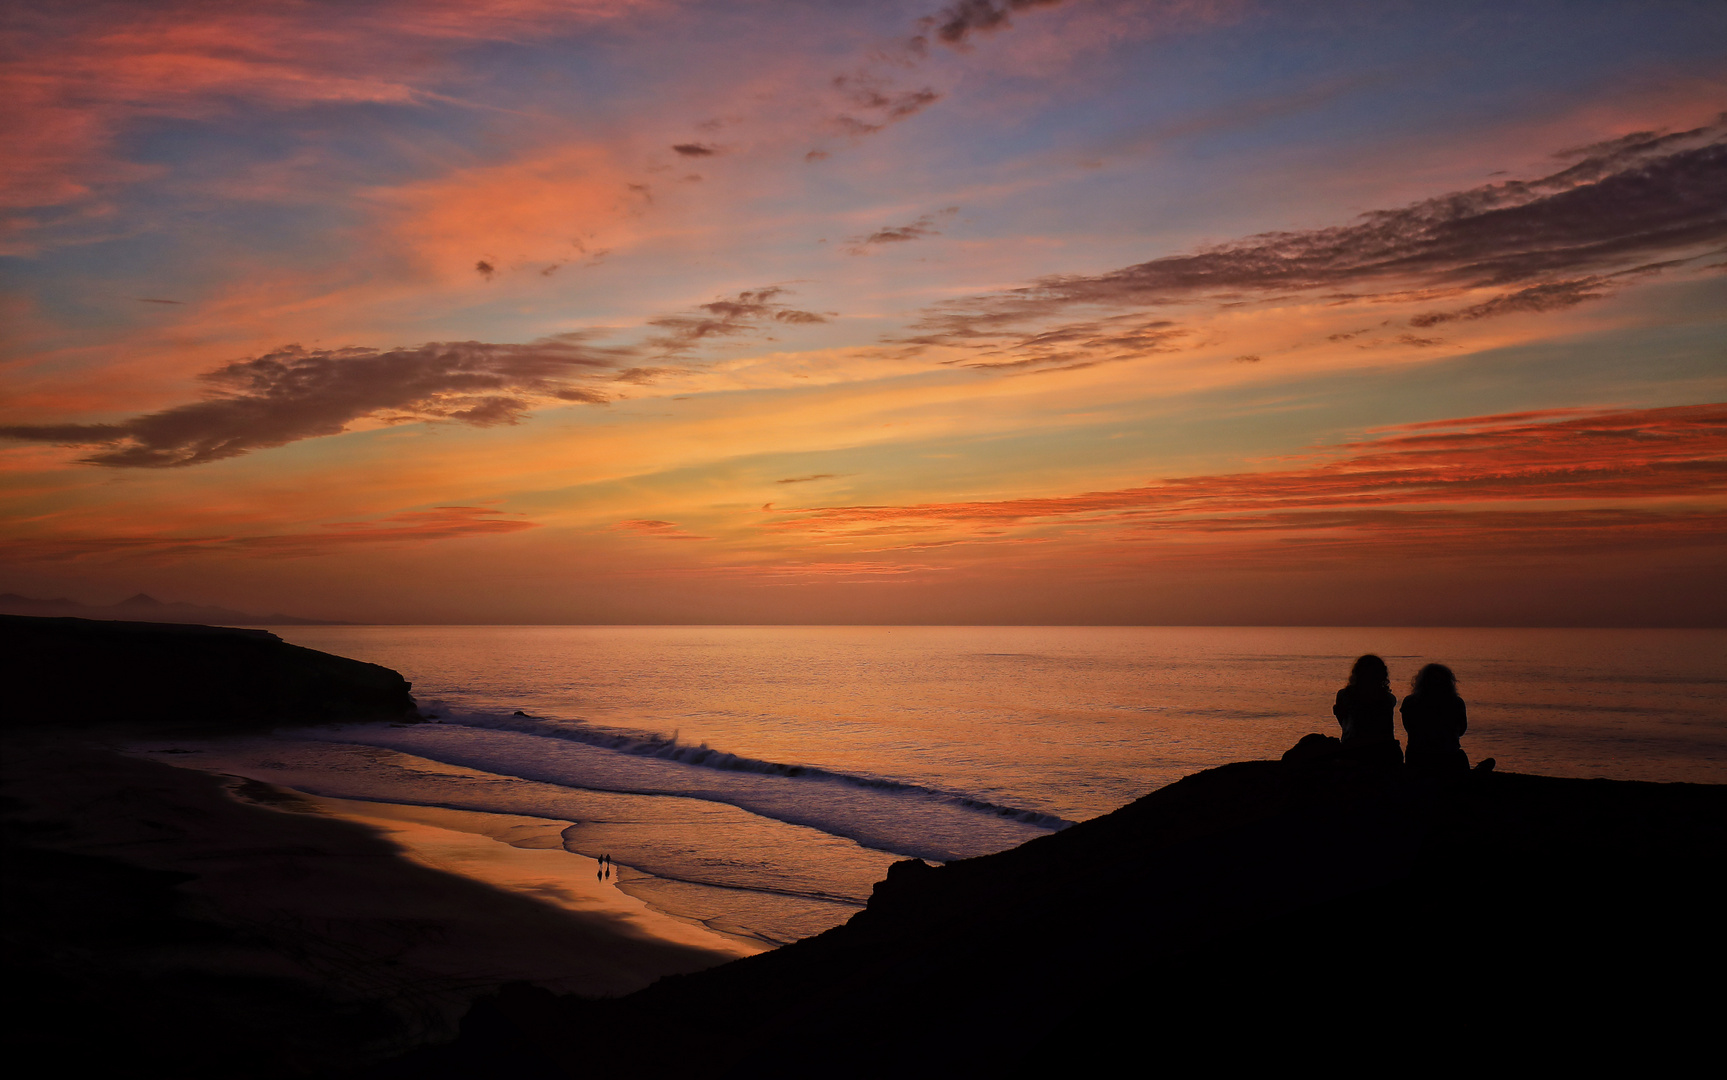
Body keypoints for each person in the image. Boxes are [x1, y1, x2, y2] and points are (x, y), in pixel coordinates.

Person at [1332, 654, 1402, 765]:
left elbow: (1345, 726)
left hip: (1353, 753)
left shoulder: (1344, 696)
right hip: (1386, 753)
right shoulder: (1389, 699)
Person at [1401, 663, 1469, 774]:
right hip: (1448, 755)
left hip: (1417, 756)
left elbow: (1409, 728)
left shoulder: (1410, 702)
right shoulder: (1456, 702)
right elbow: (1461, 730)